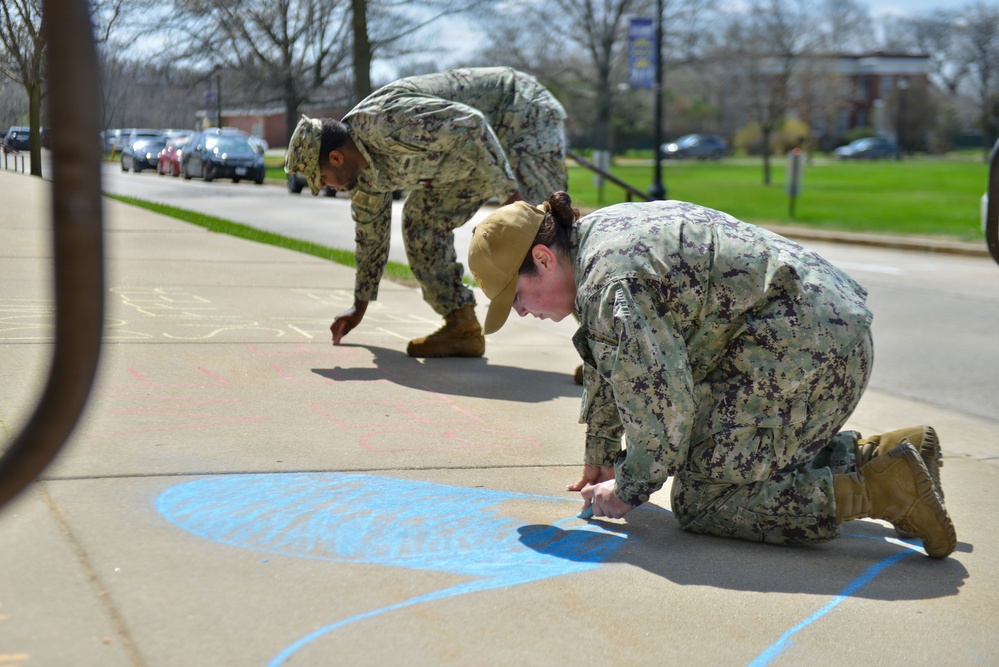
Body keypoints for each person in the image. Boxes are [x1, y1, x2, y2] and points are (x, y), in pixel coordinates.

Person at [467, 192, 957, 558]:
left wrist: (630, 487)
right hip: (816, 342)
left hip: (810, 355)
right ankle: (888, 453)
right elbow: (612, 362)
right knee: (714, 453)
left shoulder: (611, 281)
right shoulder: (597, 242)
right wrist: (601, 451)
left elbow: (662, 406)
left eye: (517, 298)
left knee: (706, 499)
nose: (523, 313)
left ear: (543, 259)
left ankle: (888, 491)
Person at [284, 67, 567, 358]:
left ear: (336, 157)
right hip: (472, 155)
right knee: (421, 220)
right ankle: (462, 325)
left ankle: (606, 336)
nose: (330, 187)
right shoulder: (363, 182)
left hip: (519, 115)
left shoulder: (387, 123)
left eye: (324, 179)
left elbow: (472, 126)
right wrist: (359, 307)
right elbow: (371, 241)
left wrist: (511, 199)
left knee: (549, 231)